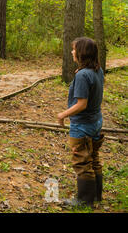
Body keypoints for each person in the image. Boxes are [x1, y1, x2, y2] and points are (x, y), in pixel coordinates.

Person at [57, 37, 105, 208]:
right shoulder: (97, 70)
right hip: (96, 120)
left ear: (82, 53)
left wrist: (62, 114)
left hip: (83, 124)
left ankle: (84, 201)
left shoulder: (84, 75)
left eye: (74, 49)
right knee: (93, 157)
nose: (72, 52)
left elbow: (81, 104)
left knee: (82, 161)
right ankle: (96, 195)